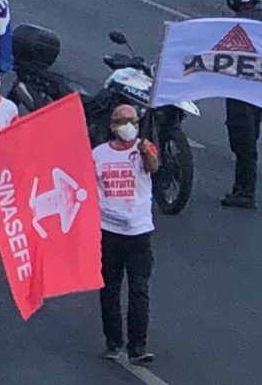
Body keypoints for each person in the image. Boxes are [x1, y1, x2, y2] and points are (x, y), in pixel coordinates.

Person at [95, 100, 158, 364]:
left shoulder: (144, 148)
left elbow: (154, 167)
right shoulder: (98, 155)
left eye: (132, 121)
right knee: (109, 288)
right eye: (122, 121)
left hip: (139, 232)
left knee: (139, 289)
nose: (128, 126)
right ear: (112, 126)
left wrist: (145, 151)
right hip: (109, 230)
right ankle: (113, 341)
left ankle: (137, 346)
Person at [221, 0, 262, 209]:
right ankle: (243, 188)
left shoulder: (238, 27)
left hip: (241, 92)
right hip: (258, 92)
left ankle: (245, 191)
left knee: (243, 141)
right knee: (250, 138)